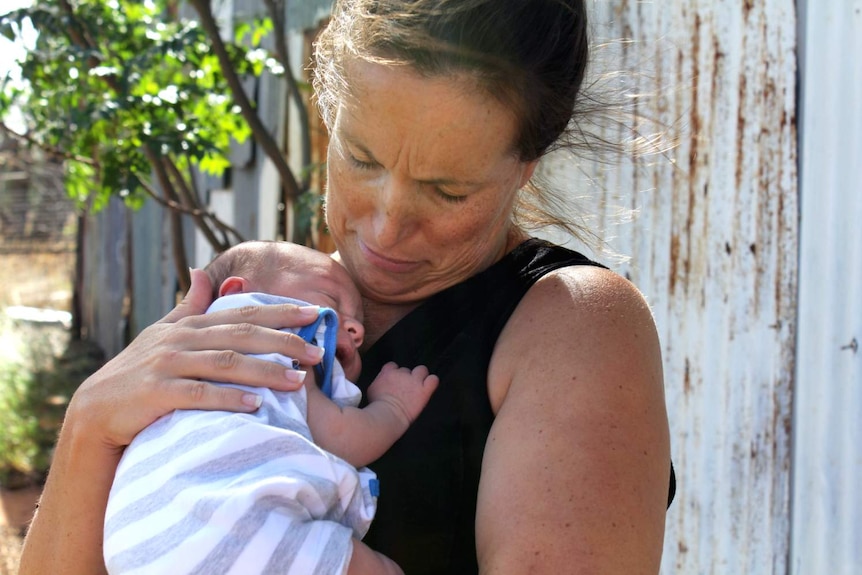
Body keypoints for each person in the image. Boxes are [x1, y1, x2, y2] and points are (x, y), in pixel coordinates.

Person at [20, 1, 674, 573]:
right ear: (328, 107)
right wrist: (91, 424)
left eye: (447, 190)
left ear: (530, 161)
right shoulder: (263, 303)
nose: (388, 227)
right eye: (362, 158)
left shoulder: (575, 328)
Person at [104, 240, 438, 575]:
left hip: (134, 540)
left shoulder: (166, 366)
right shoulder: (281, 343)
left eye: (357, 323)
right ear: (235, 296)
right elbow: (342, 438)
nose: (357, 329)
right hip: (236, 525)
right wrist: (394, 406)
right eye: (332, 303)